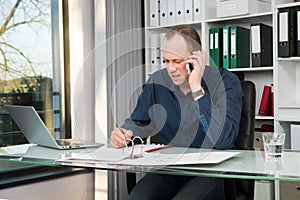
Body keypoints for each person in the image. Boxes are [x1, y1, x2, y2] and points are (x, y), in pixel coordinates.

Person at [110, 25, 243, 200]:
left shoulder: (226, 82)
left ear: (197, 58)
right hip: (172, 167)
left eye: (177, 61)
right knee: (138, 197)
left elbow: (223, 140)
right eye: (166, 61)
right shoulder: (158, 81)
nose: (170, 68)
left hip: (212, 170)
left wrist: (197, 88)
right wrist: (125, 133)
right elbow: (139, 123)